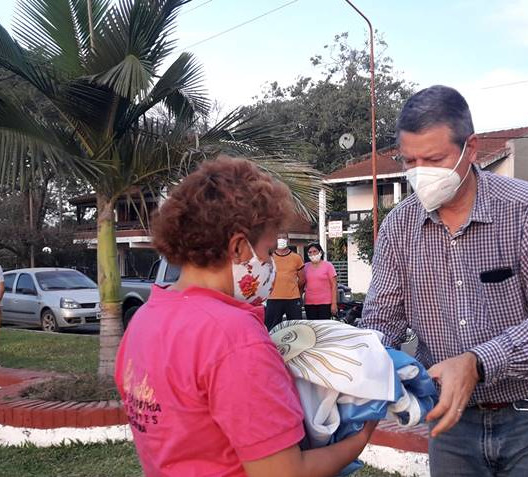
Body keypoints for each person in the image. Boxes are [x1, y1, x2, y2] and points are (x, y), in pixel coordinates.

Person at [359, 85, 528, 477]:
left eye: (434, 159)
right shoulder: (399, 227)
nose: (420, 173)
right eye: (410, 161)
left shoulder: (526, 208)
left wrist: (479, 363)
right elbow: (383, 317)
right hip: (451, 419)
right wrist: (361, 361)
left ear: (472, 148)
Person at [115, 157, 376, 477]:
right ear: (239, 248)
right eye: (267, 252)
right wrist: (360, 437)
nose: (269, 265)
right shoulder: (233, 337)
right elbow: (285, 474)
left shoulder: (143, 320)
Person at [265, 232, 305, 330]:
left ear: (288, 240)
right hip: (273, 298)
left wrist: (297, 292)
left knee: (296, 328)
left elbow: (302, 279)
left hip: (293, 299)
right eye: (279, 237)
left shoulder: (296, 258)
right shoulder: (268, 258)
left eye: (284, 237)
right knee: (272, 329)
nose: (281, 239)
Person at [301, 243, 337, 321]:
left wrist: (334, 304)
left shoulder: (328, 266)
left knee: (324, 326)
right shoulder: (305, 267)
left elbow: (334, 285)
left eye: (315, 251)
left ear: (320, 252)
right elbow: (302, 283)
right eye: (310, 252)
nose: (312, 254)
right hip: (309, 303)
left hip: (325, 303)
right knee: (312, 326)